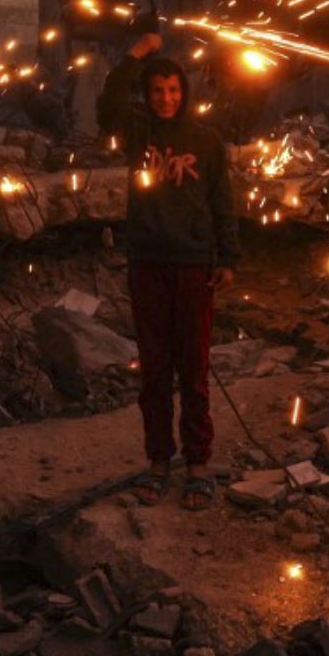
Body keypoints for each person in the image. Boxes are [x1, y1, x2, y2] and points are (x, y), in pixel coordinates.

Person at [96, 30, 240, 510]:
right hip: (148, 264)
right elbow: (108, 104)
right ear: (148, 93)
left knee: (194, 371)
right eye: (157, 90)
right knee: (154, 372)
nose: (165, 99)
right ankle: (159, 462)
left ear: (185, 93)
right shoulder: (137, 133)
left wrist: (229, 259)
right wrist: (134, 55)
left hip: (194, 265)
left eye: (173, 90)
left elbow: (223, 201)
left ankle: (197, 466)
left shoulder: (205, 140)